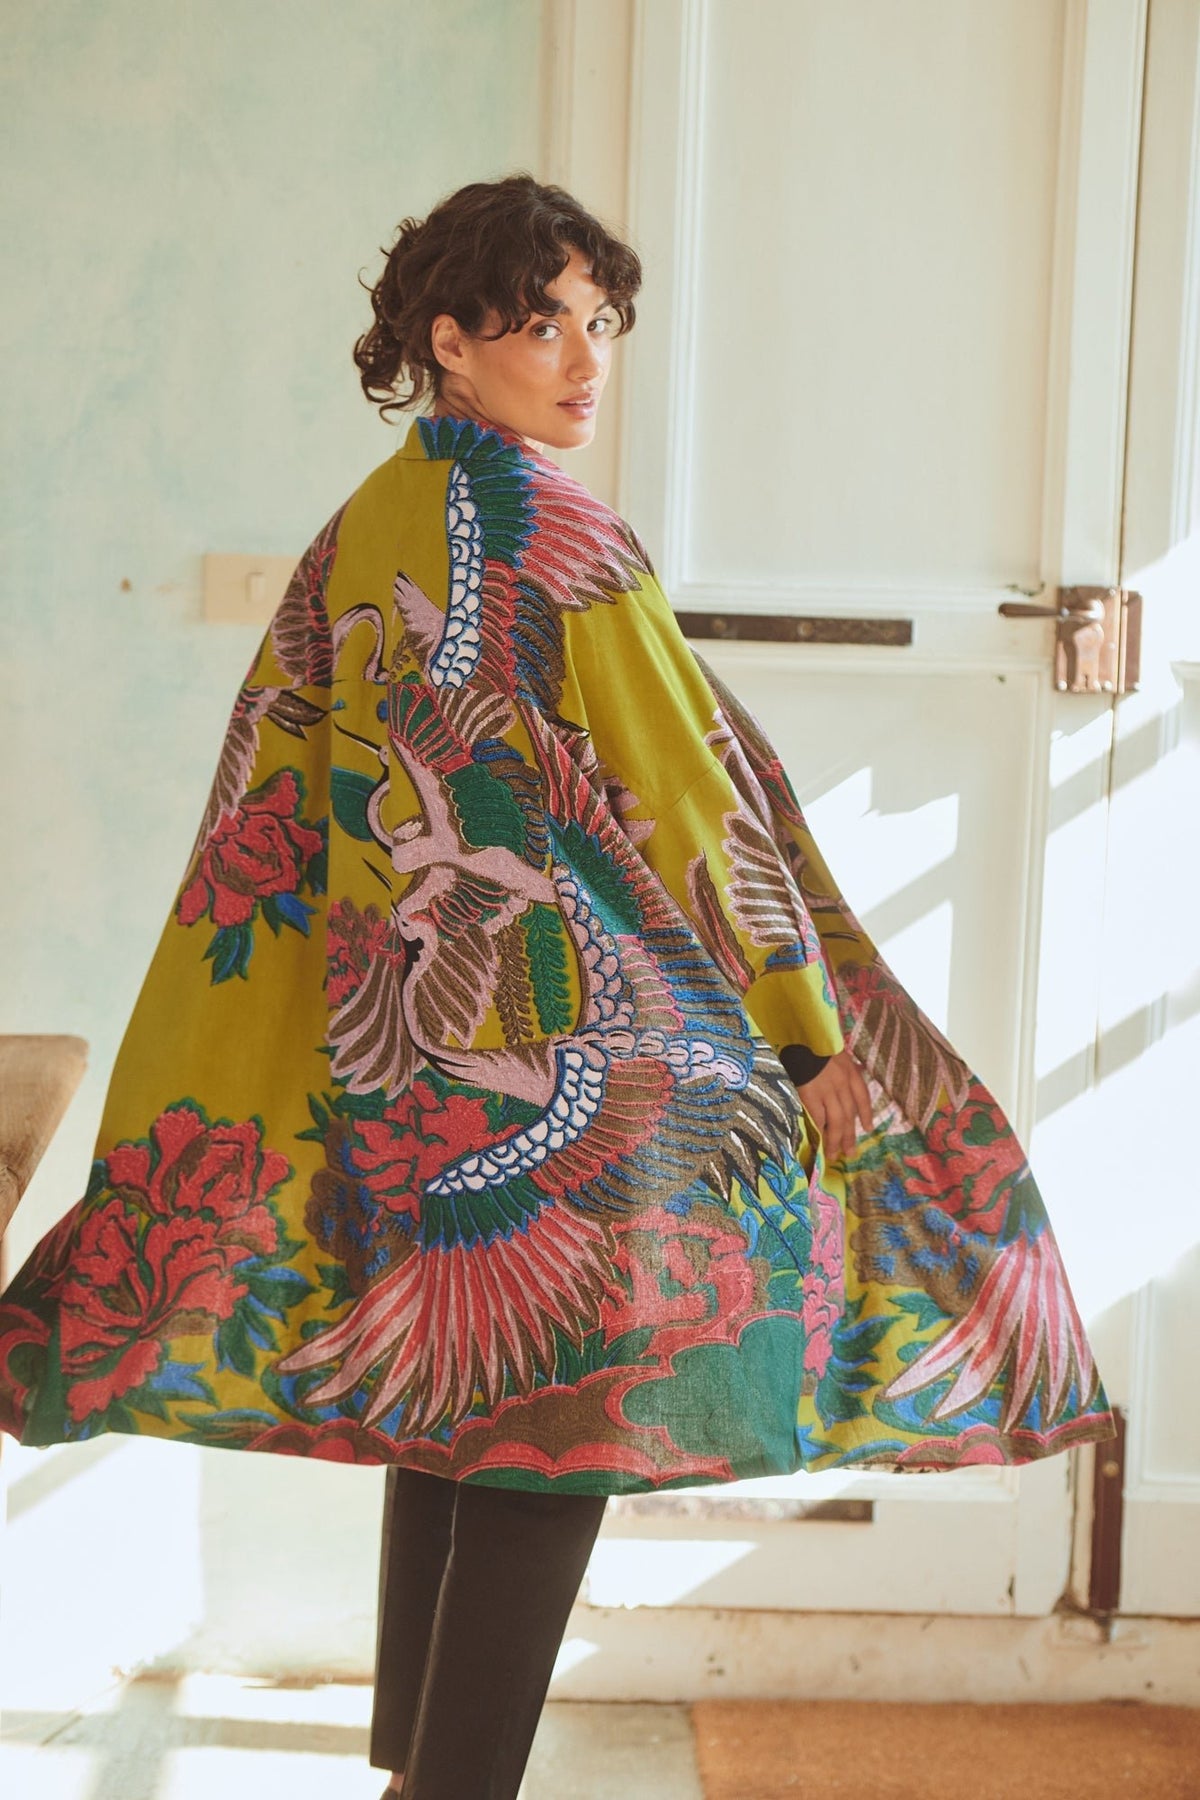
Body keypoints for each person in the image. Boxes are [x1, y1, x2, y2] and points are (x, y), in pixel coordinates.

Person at [0, 174, 1117, 1800]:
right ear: (450, 341)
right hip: (571, 1030)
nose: (587, 362)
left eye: (601, 323)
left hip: (409, 1048)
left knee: (459, 1393)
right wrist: (803, 1029)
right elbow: (688, 790)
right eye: (543, 326)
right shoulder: (553, 528)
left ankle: (415, 1767)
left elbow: (278, 790)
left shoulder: (370, 521)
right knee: (572, 1401)